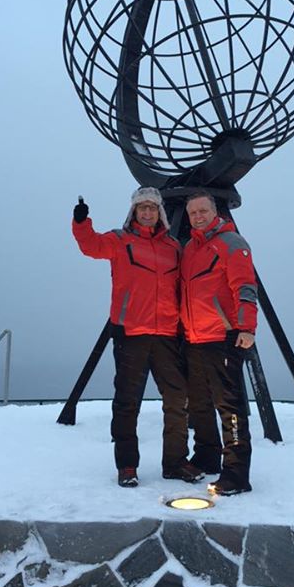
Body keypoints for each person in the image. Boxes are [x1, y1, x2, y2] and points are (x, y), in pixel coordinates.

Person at [72, 187, 204, 488]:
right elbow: (91, 246)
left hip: (167, 335)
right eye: (142, 207)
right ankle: (127, 466)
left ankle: (175, 462)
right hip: (131, 333)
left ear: (160, 213)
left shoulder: (173, 247)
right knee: (127, 402)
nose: (147, 212)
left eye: (152, 208)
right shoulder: (119, 240)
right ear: (134, 211)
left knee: (177, 399)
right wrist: (81, 222)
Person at [180, 189, 257, 496]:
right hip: (194, 338)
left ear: (215, 212)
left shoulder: (232, 243)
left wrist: (246, 328)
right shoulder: (189, 249)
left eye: (203, 211)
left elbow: (245, 287)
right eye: (193, 213)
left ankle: (236, 474)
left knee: (229, 406)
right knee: (198, 404)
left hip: (224, 337)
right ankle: (206, 456)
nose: (198, 216)